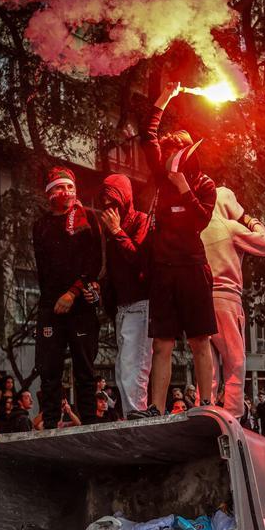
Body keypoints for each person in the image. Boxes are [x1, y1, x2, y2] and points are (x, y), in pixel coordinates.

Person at [135, 80, 218, 416]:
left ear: (187, 153)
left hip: (193, 267)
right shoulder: (161, 174)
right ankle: (155, 407)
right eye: (166, 153)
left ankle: (207, 405)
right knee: (162, 344)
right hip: (163, 269)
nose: (168, 158)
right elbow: (147, 134)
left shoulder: (203, 184)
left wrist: (185, 189)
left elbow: (200, 221)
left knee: (200, 340)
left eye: (175, 152)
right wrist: (165, 97)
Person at [33, 165, 104, 429]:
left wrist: (73, 292)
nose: (67, 192)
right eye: (61, 187)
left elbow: (93, 262)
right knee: (48, 369)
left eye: (71, 187)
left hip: (79, 304)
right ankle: (50, 424)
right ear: (50, 193)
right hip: (51, 306)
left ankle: (89, 424)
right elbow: (43, 271)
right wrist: (52, 302)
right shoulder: (39, 226)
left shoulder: (87, 220)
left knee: (84, 368)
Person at [201, 186, 265, 418]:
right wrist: (252, 221)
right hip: (226, 299)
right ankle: (233, 413)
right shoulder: (229, 227)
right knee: (235, 360)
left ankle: (205, 408)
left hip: (201, 300)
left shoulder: (198, 228)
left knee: (207, 363)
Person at [98, 173, 153, 414]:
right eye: (106, 202)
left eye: (114, 201)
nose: (110, 207)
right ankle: (131, 417)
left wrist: (118, 231)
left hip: (140, 305)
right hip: (122, 307)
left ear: (125, 197)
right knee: (122, 370)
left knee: (134, 368)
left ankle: (136, 419)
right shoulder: (109, 230)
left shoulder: (141, 220)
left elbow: (138, 259)